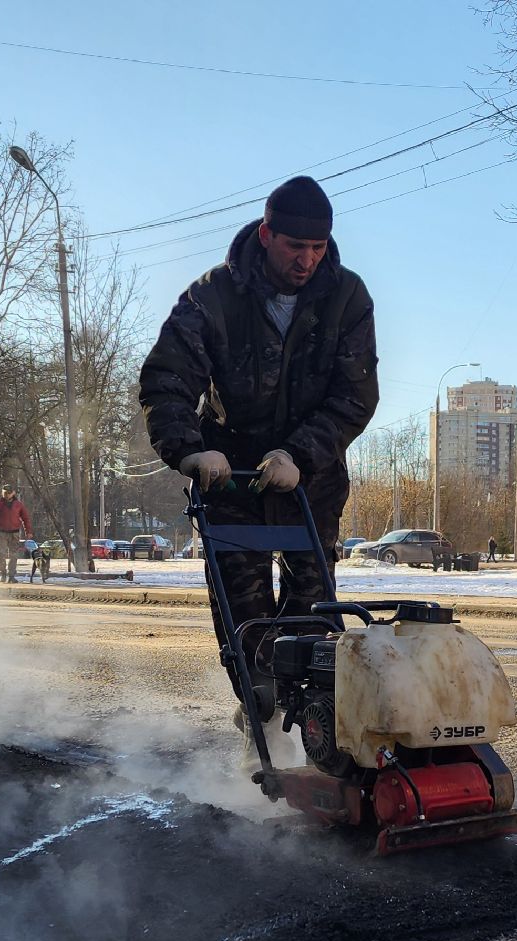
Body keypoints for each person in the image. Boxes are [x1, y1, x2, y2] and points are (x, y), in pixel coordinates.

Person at [139, 176, 379, 705]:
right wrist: (190, 449)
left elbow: (355, 396)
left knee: (312, 614)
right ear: (267, 235)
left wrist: (300, 453)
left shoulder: (347, 298)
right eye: (296, 247)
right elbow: (167, 379)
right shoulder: (213, 297)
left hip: (309, 484)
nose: (307, 260)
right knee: (244, 617)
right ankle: (259, 714)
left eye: (317, 248)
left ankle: (312, 726)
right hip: (232, 478)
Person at [0, 486, 32, 583]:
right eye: (5, 492)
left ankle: (11, 576)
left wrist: (29, 531)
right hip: (1, 533)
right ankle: (2, 574)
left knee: (14, 555)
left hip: (15, 533)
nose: (7, 494)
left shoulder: (19, 505)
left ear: (13, 493)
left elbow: (25, 518)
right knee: (1, 554)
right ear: (3, 493)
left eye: (9, 492)